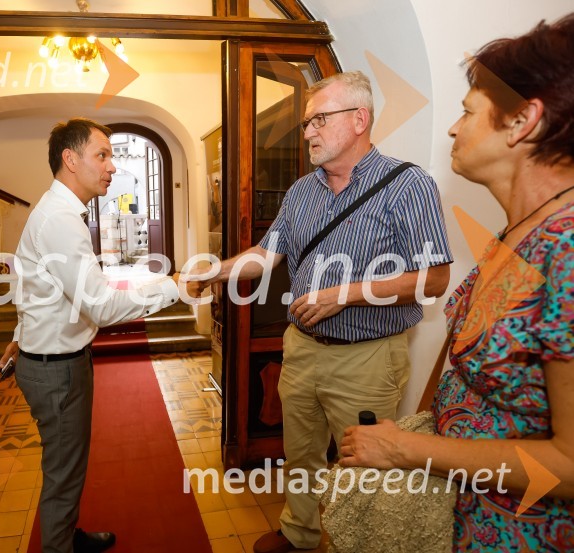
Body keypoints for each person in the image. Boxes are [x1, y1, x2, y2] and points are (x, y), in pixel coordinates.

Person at [186, 71, 453, 553]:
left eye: (318, 120)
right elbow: (266, 256)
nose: (306, 132)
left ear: (359, 119)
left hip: (368, 358)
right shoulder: (302, 192)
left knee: (365, 465)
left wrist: (345, 294)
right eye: (306, 122)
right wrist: (213, 271)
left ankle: (361, 544)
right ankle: (300, 533)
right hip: (302, 350)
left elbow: (434, 280)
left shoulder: (407, 185)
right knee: (300, 453)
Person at [339, 15, 574, 552]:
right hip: (465, 515)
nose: (451, 128)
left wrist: (401, 450)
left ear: (521, 122)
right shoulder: (515, 234)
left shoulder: (566, 248)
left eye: (467, 113)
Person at [0, 118, 196, 553]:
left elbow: (32, 284)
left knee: (67, 468)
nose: (112, 167)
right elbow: (101, 306)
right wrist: (174, 286)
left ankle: (67, 536)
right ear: (70, 160)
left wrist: (20, 331)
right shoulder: (59, 219)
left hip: (53, 361)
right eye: (102, 155)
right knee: (63, 474)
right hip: (57, 372)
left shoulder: (59, 211)